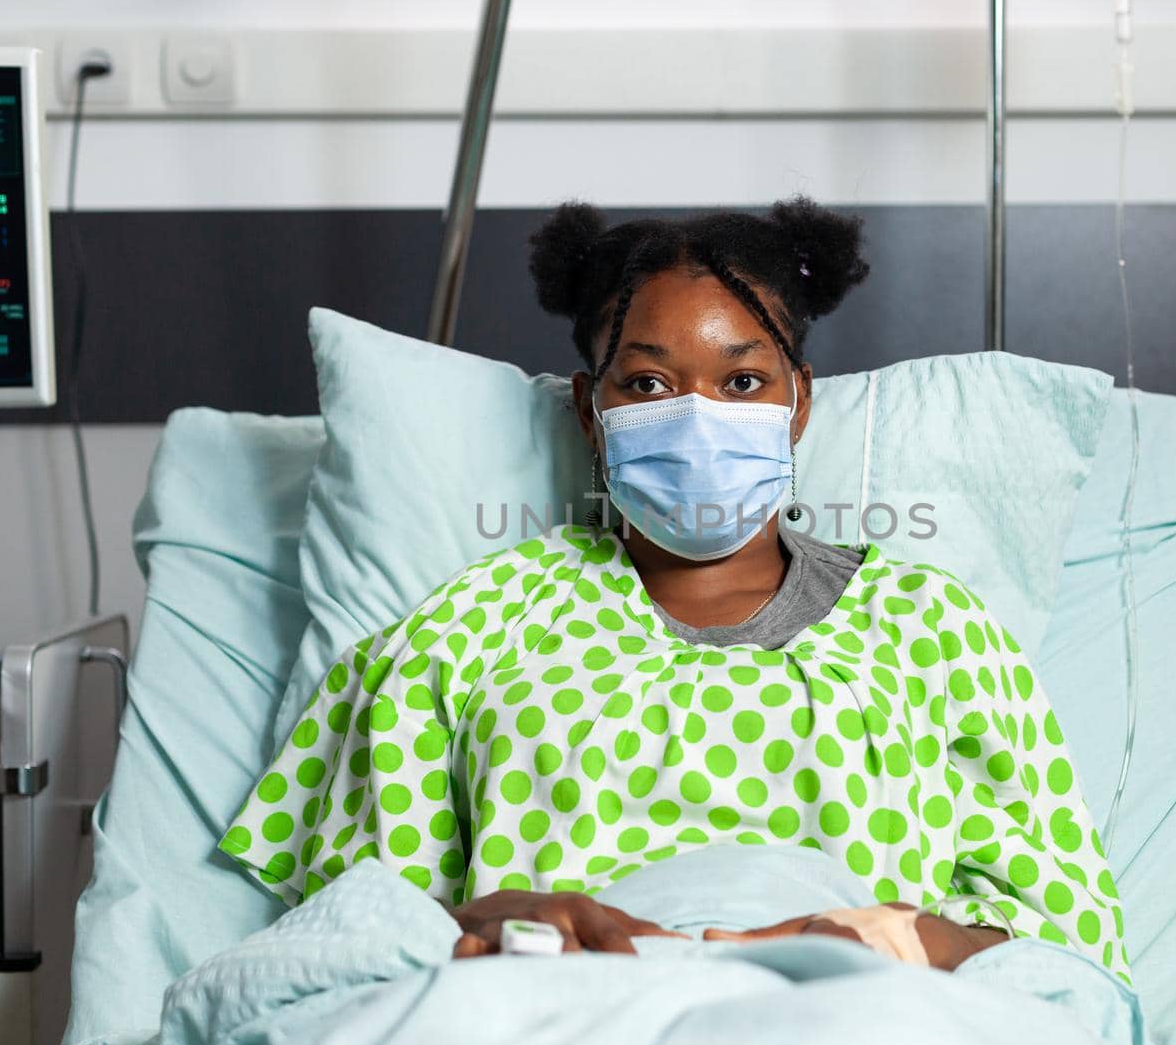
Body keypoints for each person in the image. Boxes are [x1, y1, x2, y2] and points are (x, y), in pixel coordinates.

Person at [220, 197, 1130, 979]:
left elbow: (1066, 947)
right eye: (650, 383)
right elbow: (356, 935)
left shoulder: (935, 630)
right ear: (590, 408)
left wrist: (890, 938)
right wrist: (488, 922)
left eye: (742, 380)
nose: (698, 418)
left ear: (797, 403)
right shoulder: (473, 629)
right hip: (558, 1008)